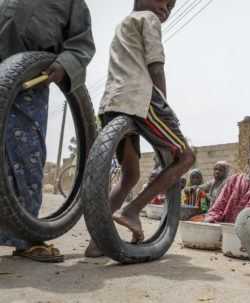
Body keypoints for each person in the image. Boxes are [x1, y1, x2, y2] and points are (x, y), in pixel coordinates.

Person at [86, 0, 195, 257]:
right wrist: (164, 105)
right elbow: (155, 65)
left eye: (171, 6)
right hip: (142, 99)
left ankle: (97, 242)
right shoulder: (149, 19)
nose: (166, 9)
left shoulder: (122, 24)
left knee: (130, 175)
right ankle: (132, 209)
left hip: (113, 102)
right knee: (187, 156)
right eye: (164, 1)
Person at [0, 0, 95, 262]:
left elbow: (81, 43)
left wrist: (65, 63)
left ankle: (27, 237)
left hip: (32, 81)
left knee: (26, 157)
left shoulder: (73, 3)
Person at [204, 146, 250, 223]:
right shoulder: (234, 180)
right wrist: (211, 220)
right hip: (225, 228)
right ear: (248, 161)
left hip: (247, 233)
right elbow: (219, 206)